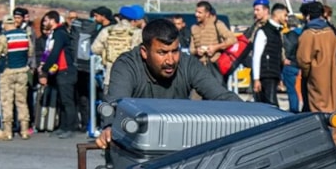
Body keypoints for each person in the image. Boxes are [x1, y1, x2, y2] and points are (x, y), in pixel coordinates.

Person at [96, 19, 241, 148]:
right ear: (144, 52)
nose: (170, 60)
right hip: (135, 143)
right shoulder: (127, 65)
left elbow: (221, 96)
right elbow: (116, 103)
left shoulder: (188, 64)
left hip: (177, 143)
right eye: (162, 53)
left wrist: (250, 114)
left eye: (175, 51)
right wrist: (109, 127)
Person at [296, 2, 336, 150]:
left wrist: (308, 74)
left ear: (307, 16)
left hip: (317, 78)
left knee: (319, 111)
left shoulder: (309, 34)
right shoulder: (333, 31)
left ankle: (324, 144)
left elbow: (303, 60)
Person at [39, 10, 79, 139]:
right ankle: (63, 126)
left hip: (66, 70)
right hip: (59, 71)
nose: (44, 23)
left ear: (53, 20)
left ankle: (70, 127)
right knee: (61, 100)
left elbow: (54, 53)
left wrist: (44, 69)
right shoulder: (56, 33)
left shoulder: (59, 34)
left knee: (67, 101)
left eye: (46, 20)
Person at [0, 14, 32, 140]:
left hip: (7, 72)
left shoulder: (3, 37)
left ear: (5, 24)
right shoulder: (25, 35)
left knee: (7, 101)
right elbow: (30, 52)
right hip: (22, 71)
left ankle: (8, 131)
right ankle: (24, 130)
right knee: (22, 101)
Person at [91, 4, 144, 91]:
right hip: (131, 78)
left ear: (119, 17)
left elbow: (95, 49)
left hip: (110, 77)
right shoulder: (137, 33)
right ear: (134, 20)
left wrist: (106, 52)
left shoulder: (107, 31)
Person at [190, 1, 236, 85]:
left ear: (207, 14)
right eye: (196, 12)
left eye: (200, 12)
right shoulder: (194, 28)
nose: (196, 15)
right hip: (199, 67)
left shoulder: (217, 24)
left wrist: (216, 47)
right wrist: (197, 51)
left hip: (216, 66)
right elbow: (191, 49)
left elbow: (232, 39)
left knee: (217, 91)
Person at [251, 2, 287, 107]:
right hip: (265, 75)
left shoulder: (277, 32)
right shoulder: (263, 31)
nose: (286, 19)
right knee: (271, 106)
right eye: (285, 15)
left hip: (273, 74)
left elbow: (278, 56)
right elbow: (256, 56)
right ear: (277, 14)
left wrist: (279, 76)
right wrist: (256, 79)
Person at [281, 15, 302, 113]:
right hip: (303, 65)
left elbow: (285, 50)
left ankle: (294, 110)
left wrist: (284, 59)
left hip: (291, 65)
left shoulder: (286, 36)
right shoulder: (305, 34)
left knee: (292, 90)